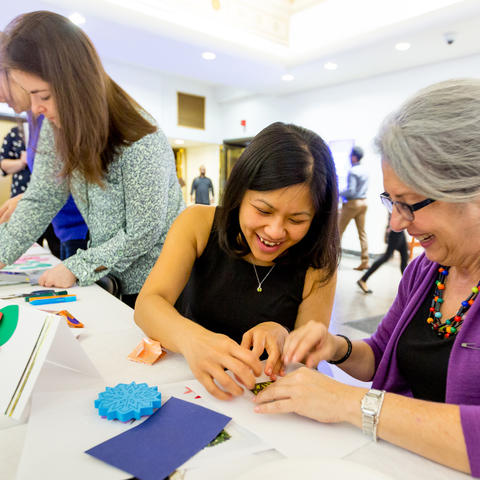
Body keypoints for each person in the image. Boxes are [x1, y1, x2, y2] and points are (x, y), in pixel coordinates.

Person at [253, 79, 480, 477]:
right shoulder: (428, 270)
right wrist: (335, 347)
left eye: (409, 205)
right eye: (390, 203)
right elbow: (380, 354)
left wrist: (349, 403)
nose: (395, 222)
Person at [135, 122, 339, 400]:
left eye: (296, 220)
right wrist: (192, 339)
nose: (275, 231)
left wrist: (282, 332)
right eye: (263, 210)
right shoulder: (198, 224)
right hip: (185, 385)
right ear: (239, 193)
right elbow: (147, 304)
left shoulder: (318, 260)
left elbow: (308, 351)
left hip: (257, 399)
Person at [0, 11, 184, 307]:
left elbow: (143, 232)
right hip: (109, 276)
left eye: (43, 96)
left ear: (75, 84)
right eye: (31, 95)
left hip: (158, 284)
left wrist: (78, 266)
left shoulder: (139, 137)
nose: (35, 109)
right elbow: (42, 197)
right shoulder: (57, 128)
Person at [357, 216, 408, 294]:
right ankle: (363, 279)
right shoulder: (397, 204)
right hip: (396, 231)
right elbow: (393, 213)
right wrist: (389, 227)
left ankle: (408, 287)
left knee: (404, 258)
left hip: (400, 232)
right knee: (386, 257)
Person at [338, 146, 370, 270]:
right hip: (364, 203)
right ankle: (365, 261)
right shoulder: (366, 170)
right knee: (362, 233)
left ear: (354, 157)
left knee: (338, 232)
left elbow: (351, 191)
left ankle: (330, 259)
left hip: (352, 204)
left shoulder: (353, 171)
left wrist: (339, 192)